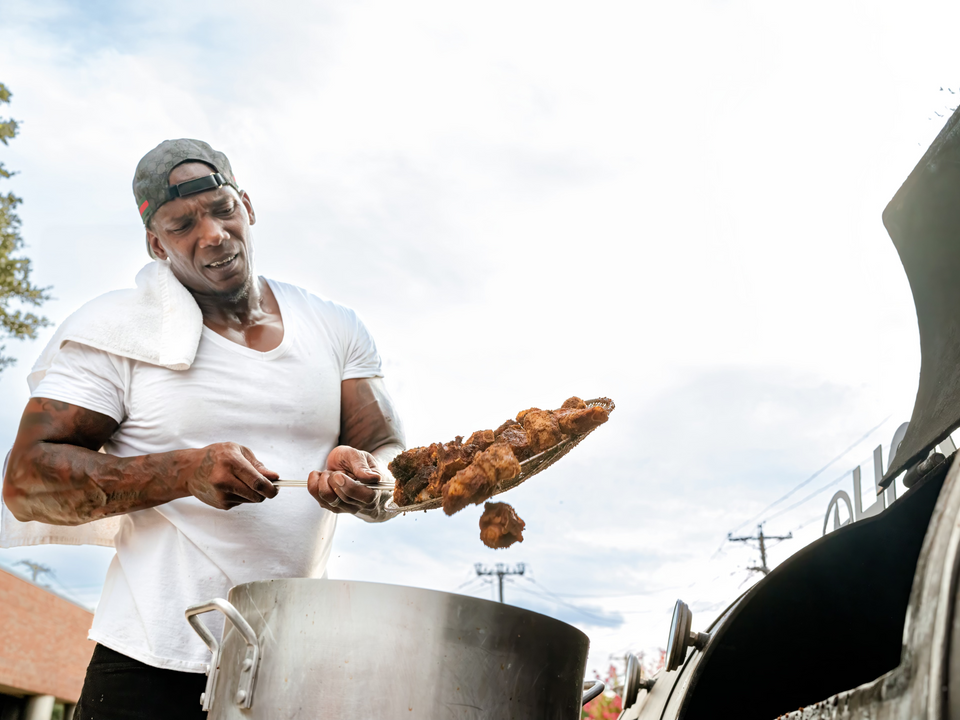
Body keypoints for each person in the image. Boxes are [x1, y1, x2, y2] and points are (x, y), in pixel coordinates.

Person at [1, 139, 405, 718]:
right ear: (155, 243)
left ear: (247, 205)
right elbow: (26, 482)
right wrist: (183, 471)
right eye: (182, 223)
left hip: (291, 662)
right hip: (148, 663)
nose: (212, 233)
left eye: (222, 208)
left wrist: (370, 477)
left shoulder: (335, 326)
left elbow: (385, 448)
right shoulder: (113, 330)